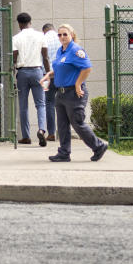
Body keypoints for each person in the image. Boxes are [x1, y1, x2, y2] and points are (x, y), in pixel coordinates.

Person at [40, 23, 108, 162]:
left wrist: (78, 84)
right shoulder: (61, 51)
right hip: (61, 93)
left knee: (77, 123)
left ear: (72, 35)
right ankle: (64, 153)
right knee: (62, 125)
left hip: (74, 94)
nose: (62, 37)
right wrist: (49, 75)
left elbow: (87, 68)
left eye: (65, 34)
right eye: (60, 34)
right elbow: (61, 69)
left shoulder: (76, 50)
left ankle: (98, 146)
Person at [12, 12, 50, 146]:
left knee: (23, 106)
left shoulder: (16, 38)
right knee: (41, 104)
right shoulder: (41, 36)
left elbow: (14, 57)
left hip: (22, 73)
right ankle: (41, 130)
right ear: (30, 22)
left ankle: (26, 136)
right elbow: (45, 57)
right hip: (38, 72)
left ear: (19, 24)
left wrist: (13, 73)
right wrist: (48, 74)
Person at [41, 23, 60, 141]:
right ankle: (64, 131)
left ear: (44, 31)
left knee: (49, 103)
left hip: (47, 76)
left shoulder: (43, 39)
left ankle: (51, 133)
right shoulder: (61, 37)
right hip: (62, 75)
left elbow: (42, 58)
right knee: (64, 103)